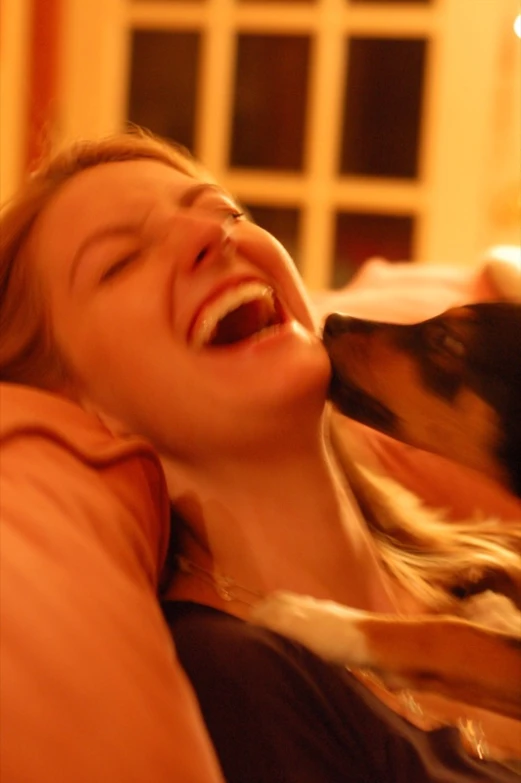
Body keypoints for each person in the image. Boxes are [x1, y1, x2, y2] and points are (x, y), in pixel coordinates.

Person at [1, 128, 520, 782]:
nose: (209, 236)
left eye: (225, 213)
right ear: (67, 403)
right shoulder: (229, 676)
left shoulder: (489, 574)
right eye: (121, 260)